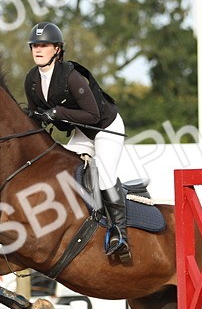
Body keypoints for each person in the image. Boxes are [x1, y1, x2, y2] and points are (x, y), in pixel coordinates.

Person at [23, 21, 130, 260]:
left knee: (104, 175)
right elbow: (37, 121)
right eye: (34, 46)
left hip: (105, 127)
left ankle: (119, 234)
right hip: (82, 131)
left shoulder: (71, 76)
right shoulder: (32, 80)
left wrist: (58, 113)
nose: (38, 50)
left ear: (57, 49)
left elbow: (92, 115)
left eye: (44, 45)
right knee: (64, 172)